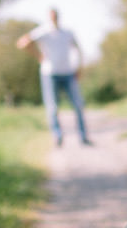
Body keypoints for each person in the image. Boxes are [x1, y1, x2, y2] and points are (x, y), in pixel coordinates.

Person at [15, 8, 91, 146]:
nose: (54, 18)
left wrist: (79, 68)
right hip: (50, 74)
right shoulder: (43, 31)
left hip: (68, 72)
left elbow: (78, 50)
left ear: (58, 17)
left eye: (55, 16)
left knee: (78, 105)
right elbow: (22, 43)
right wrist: (38, 56)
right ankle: (58, 137)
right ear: (49, 18)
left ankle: (83, 136)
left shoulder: (67, 33)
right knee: (52, 107)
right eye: (52, 16)